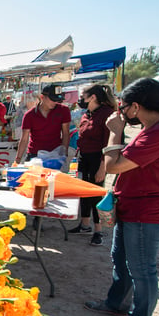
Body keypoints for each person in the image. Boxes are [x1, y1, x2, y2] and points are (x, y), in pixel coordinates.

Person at [84, 78, 159, 316]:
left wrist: (114, 131)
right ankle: (116, 303)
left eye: (124, 108)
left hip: (147, 213)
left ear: (136, 107)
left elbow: (114, 165)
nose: (122, 113)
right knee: (121, 260)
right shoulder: (154, 129)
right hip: (133, 208)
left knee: (141, 268)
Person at [69, 84, 117, 246]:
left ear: (93, 97)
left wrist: (103, 167)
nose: (80, 99)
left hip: (98, 159)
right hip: (84, 157)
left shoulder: (106, 115)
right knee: (83, 192)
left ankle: (98, 230)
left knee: (96, 193)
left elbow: (108, 143)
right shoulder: (87, 114)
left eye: (83, 96)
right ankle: (84, 224)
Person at [13, 84, 71, 165]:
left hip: (55, 155)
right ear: (42, 97)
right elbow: (24, 139)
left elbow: (65, 134)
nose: (55, 102)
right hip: (35, 155)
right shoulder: (29, 115)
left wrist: (64, 154)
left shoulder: (63, 110)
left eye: (57, 100)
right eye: (52, 99)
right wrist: (18, 160)